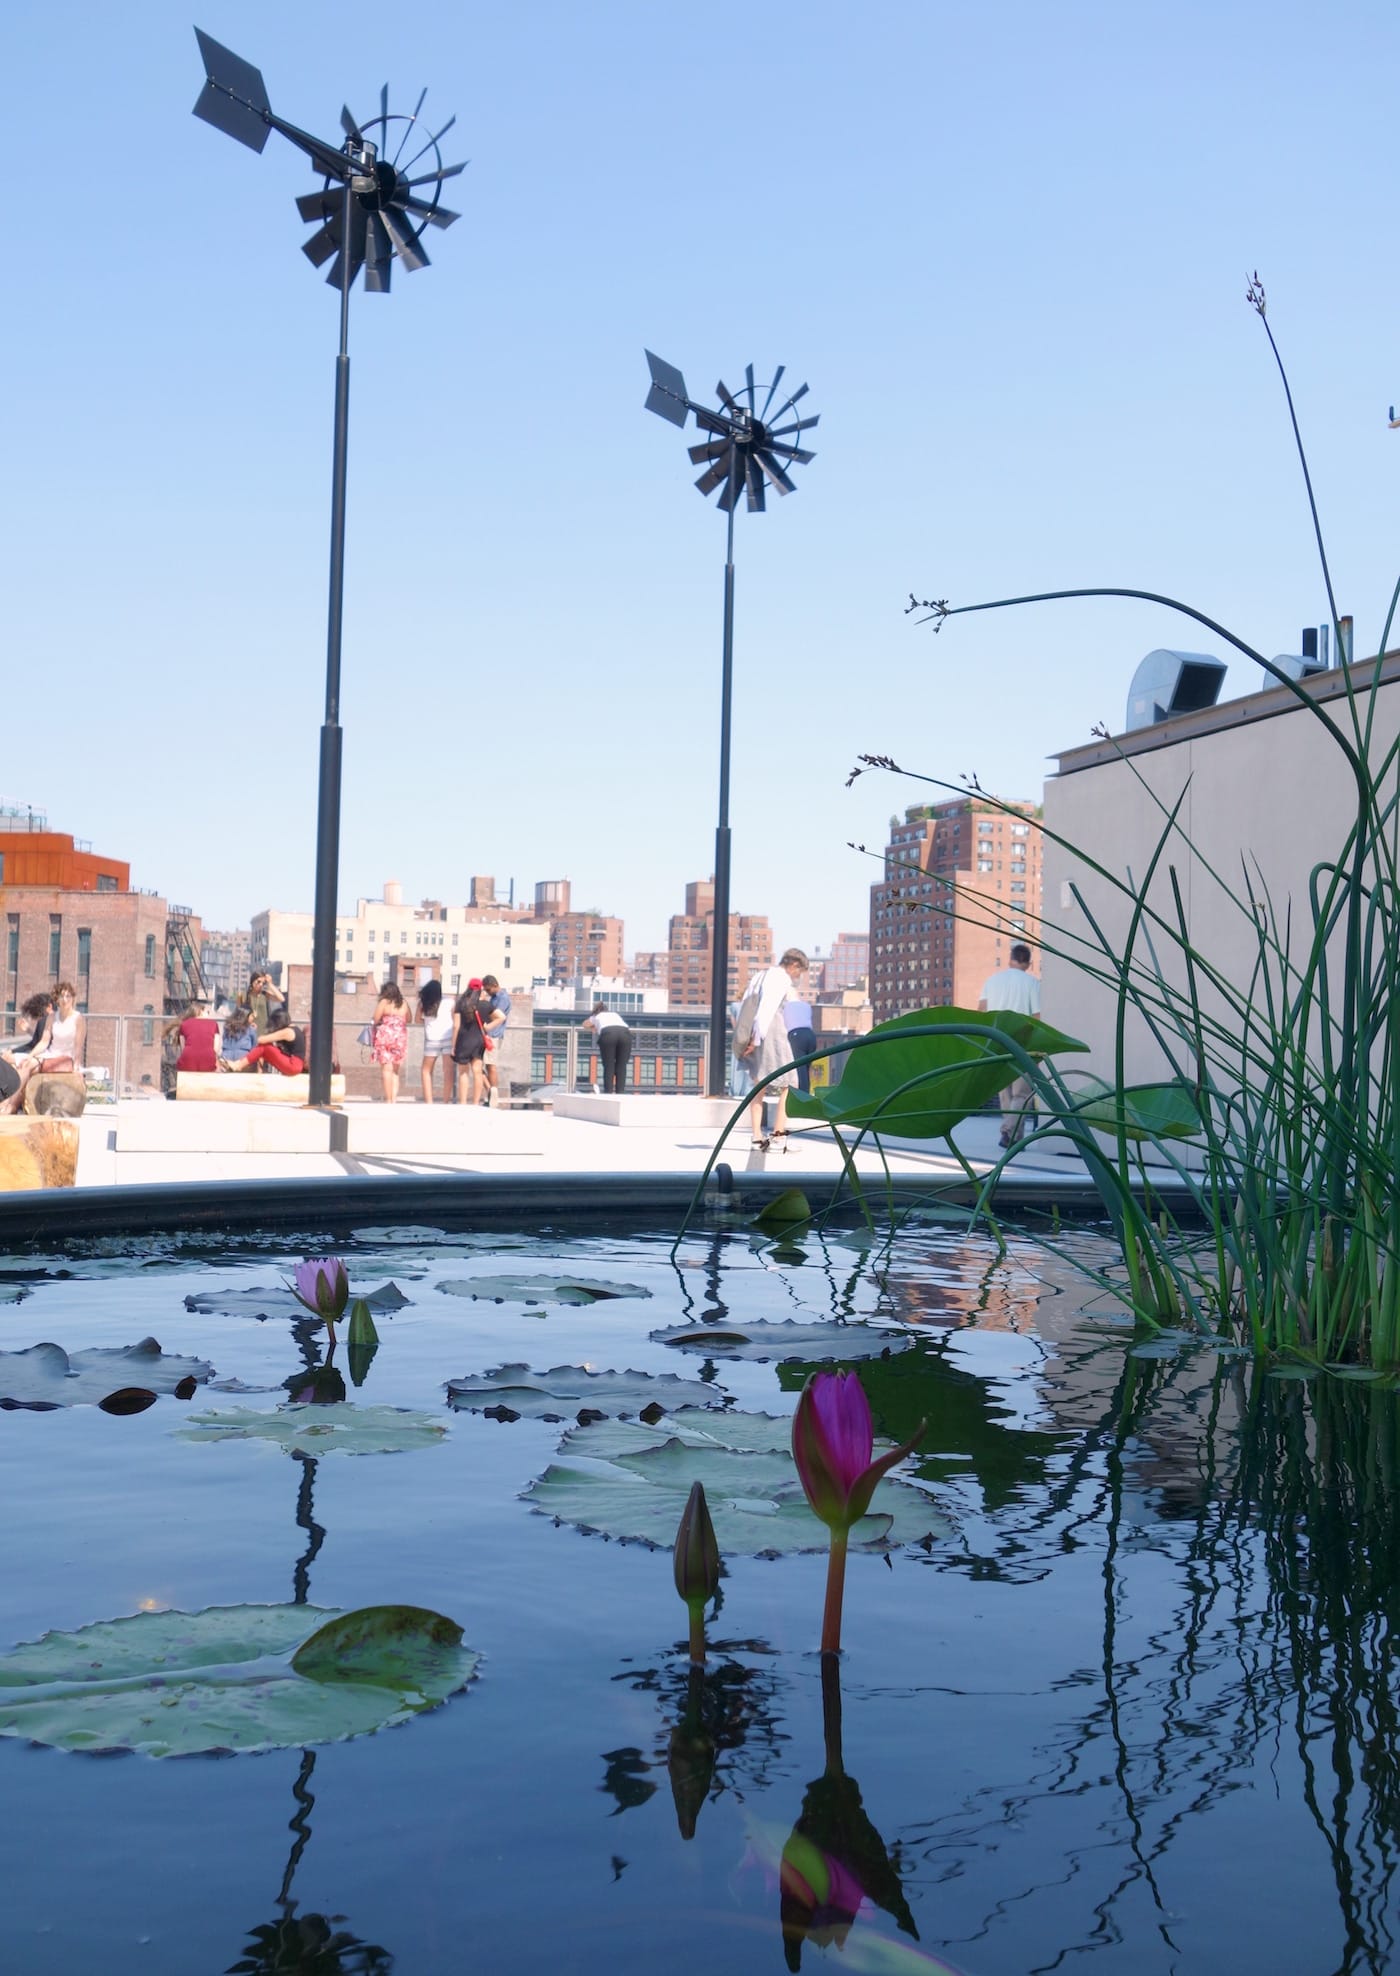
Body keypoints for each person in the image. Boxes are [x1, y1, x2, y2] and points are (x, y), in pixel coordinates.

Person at [736, 948, 809, 1148]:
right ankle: (778, 1133)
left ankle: (757, 1135)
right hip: (771, 1036)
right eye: (799, 971)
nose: (798, 976)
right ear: (794, 965)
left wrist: (749, 1039)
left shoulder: (760, 976)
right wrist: (755, 1041)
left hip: (755, 1034)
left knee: (759, 1085)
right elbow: (766, 1011)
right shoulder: (780, 979)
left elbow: (748, 1006)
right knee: (790, 1082)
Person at [979, 942, 1041, 1147]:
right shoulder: (1033, 984)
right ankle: (1009, 1132)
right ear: (1029, 964)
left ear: (1009, 959)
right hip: (1023, 1042)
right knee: (1021, 1093)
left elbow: (981, 1012)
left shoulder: (992, 981)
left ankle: (1012, 1135)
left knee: (1004, 1091)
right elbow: (1037, 1016)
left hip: (996, 1041)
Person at [0, 991, 54, 1115]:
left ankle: (7, 1102)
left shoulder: (48, 1019)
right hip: (40, 1053)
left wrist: (16, 1053)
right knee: (9, 1061)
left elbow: (39, 1043)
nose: (39, 1018)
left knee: (8, 1061)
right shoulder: (48, 1019)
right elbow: (37, 1041)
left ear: (49, 1007)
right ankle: (8, 1101)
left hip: (44, 1055)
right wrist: (29, 1030)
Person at [450, 979, 489, 1107]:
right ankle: (476, 1102)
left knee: (463, 1072)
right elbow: (500, 1017)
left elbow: (456, 1025)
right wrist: (488, 1028)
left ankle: (462, 1102)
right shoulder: (483, 1004)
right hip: (479, 1040)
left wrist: (453, 1045)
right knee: (477, 1071)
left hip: (463, 1040)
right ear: (480, 989)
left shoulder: (460, 1003)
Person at [371, 981, 409, 1103]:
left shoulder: (384, 1002)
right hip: (399, 1038)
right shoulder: (403, 1003)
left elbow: (376, 1019)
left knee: (386, 1070)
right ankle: (394, 1098)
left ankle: (388, 1099)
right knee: (395, 1071)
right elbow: (409, 1018)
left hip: (385, 1037)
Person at [582, 1001, 632, 1095]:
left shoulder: (596, 1016)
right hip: (625, 1034)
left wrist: (593, 1027)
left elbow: (584, 1024)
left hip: (608, 1034)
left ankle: (608, 1092)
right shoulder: (615, 1014)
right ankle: (620, 1093)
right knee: (621, 1066)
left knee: (609, 1066)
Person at [417, 978, 454, 1104]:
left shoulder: (423, 1002)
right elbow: (455, 1018)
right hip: (448, 1037)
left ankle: (429, 1102)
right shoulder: (449, 1001)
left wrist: (427, 1022)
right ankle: (446, 1101)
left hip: (431, 1039)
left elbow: (417, 1020)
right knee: (448, 1071)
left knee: (426, 1070)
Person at [163, 998, 219, 1075]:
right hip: (208, 1061)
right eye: (207, 1012)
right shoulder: (213, 1024)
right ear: (201, 1011)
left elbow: (183, 1047)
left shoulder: (184, 1024)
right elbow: (215, 1049)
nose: (209, 1015)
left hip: (188, 1060)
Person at [480, 974, 512, 1107]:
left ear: (494, 985)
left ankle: (493, 1096)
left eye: (488, 990)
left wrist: (483, 1002)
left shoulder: (502, 998)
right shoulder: (494, 998)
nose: (487, 992)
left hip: (493, 1035)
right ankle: (490, 1094)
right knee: (482, 1067)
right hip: (488, 1035)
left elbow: (495, 1015)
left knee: (491, 1066)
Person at [782, 987, 818, 1095]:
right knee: (806, 1068)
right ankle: (806, 1093)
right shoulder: (806, 1006)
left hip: (796, 1035)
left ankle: (802, 1096)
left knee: (799, 1069)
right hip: (810, 1035)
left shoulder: (785, 1007)